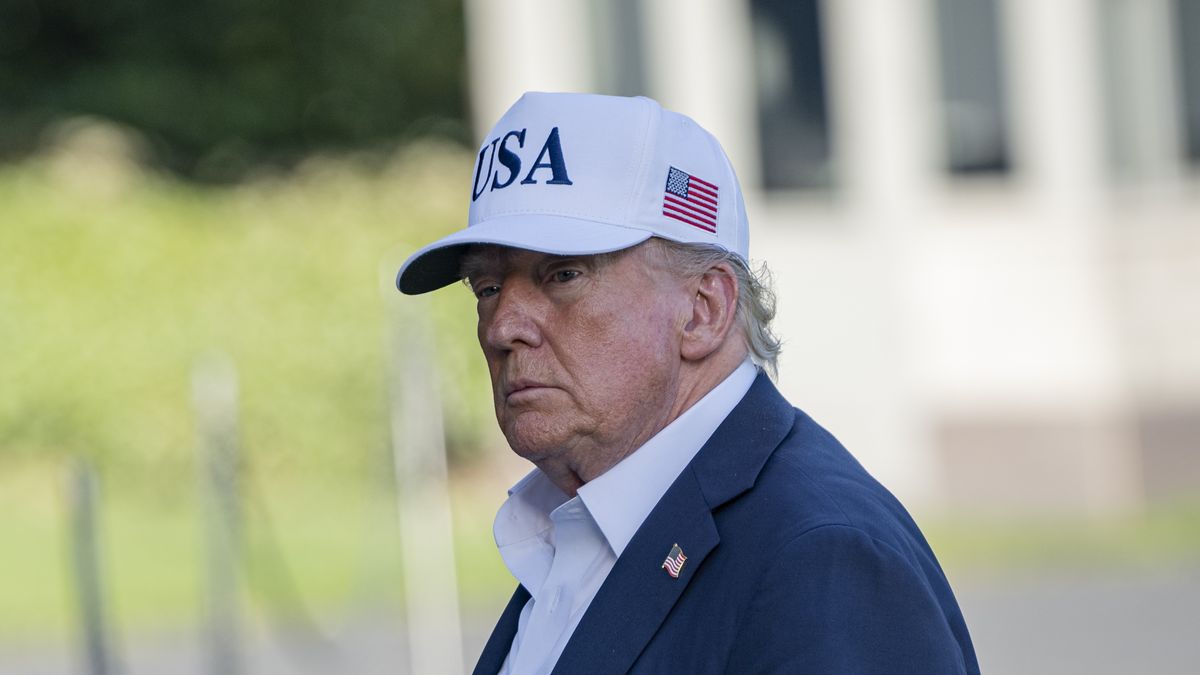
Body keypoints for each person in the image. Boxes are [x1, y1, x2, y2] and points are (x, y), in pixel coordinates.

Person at [396, 92, 979, 674]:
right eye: (487, 287)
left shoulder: (821, 556)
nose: (503, 327)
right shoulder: (584, 522)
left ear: (703, 309)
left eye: (564, 274)